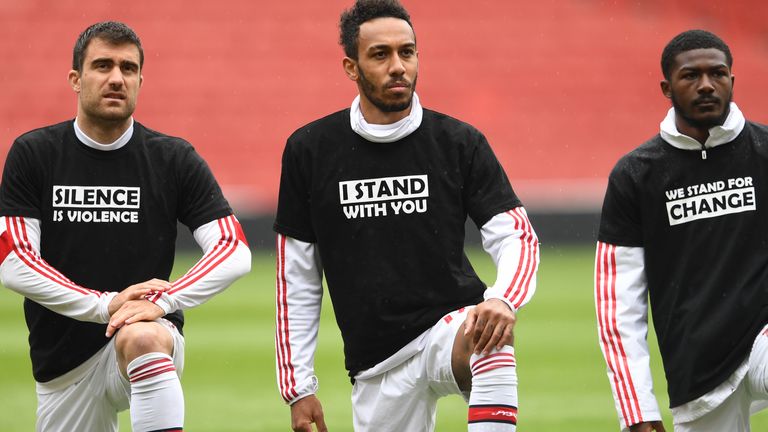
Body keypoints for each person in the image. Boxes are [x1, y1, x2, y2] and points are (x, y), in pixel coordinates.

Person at [273, 1, 539, 431]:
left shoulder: (459, 142)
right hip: (376, 361)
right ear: (351, 67)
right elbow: (297, 277)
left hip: (448, 328)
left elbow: (516, 236)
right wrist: (298, 388)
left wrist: (503, 297)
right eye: (380, 55)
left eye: (407, 52)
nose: (398, 66)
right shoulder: (310, 150)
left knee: (490, 341)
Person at [0, 21, 251, 432]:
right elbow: (14, 260)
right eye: (102, 65)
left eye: (128, 68)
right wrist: (105, 305)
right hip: (63, 363)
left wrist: (163, 302)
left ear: (140, 79)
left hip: (143, 333)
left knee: (144, 337)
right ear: (76, 79)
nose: (117, 78)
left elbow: (233, 248)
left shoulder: (173, 158)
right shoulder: (34, 154)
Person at [595, 29, 768, 432]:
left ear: (732, 81)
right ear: (666, 87)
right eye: (691, 76)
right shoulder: (636, 174)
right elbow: (618, 305)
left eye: (718, 74)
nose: (707, 85)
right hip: (699, 367)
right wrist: (636, 410)